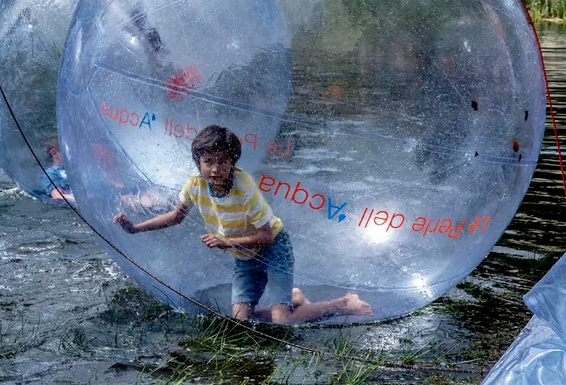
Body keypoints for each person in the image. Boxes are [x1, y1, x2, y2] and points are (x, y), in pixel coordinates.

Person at [111, 125, 373, 324]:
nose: (215, 169)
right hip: (244, 255)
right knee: (241, 323)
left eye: (222, 162)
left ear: (233, 162)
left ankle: (343, 303)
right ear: (198, 163)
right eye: (208, 162)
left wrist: (227, 242)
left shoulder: (244, 187)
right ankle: (294, 300)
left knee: (283, 322)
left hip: (273, 249)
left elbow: (267, 236)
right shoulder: (195, 185)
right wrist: (135, 228)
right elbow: (175, 217)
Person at [38, 134, 72, 203]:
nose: (72, 154)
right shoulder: (51, 174)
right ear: (54, 152)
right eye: (68, 150)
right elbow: (57, 196)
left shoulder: (72, 170)